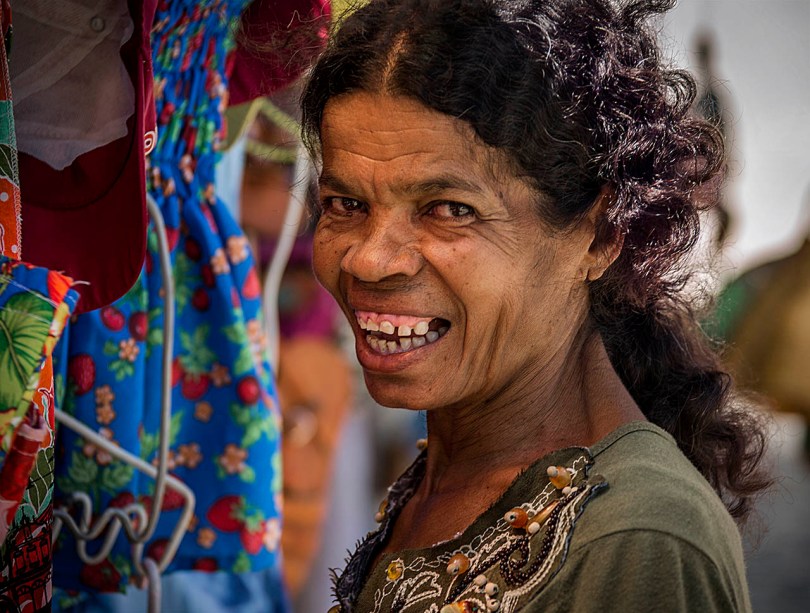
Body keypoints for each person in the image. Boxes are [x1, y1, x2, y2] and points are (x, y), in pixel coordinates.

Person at [299, 0, 771, 611]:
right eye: (344, 204)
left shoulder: (640, 538)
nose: (368, 260)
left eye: (449, 209)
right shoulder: (445, 470)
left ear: (599, 237)